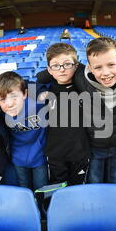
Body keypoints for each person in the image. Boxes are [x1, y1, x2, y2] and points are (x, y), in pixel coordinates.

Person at [37, 37, 116, 185]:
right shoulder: (81, 78)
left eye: (111, 64)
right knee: (94, 182)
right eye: (98, 67)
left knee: (115, 180)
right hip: (94, 148)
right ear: (90, 68)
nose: (105, 73)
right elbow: (44, 76)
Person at [0, 71, 49, 191]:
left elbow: (53, 79)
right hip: (18, 158)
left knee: (41, 190)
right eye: (3, 99)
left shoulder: (38, 103)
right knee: (24, 189)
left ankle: (42, 210)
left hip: (39, 157)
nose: (10, 103)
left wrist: (41, 90)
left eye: (14, 97)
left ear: (24, 94)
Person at [43, 43, 90, 185]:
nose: (62, 69)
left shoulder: (84, 89)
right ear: (49, 70)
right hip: (55, 154)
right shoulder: (44, 91)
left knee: (78, 189)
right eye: (56, 65)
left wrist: (76, 65)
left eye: (67, 64)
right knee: (57, 190)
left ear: (76, 66)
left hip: (80, 153)